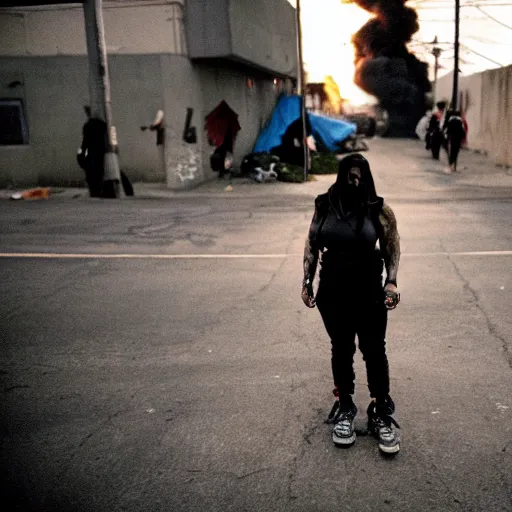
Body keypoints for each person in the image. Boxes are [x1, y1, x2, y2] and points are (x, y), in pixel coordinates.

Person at [301, 153, 401, 454]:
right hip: (332, 287)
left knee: (373, 348)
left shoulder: (378, 208)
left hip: (369, 287)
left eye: (359, 174)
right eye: (349, 174)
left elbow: (392, 245)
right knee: (341, 347)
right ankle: (345, 405)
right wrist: (307, 280)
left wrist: (392, 281)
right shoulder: (324, 204)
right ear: (341, 174)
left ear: (366, 176)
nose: (354, 180)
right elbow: (311, 243)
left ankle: (379, 410)